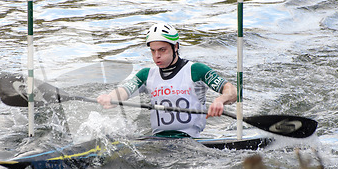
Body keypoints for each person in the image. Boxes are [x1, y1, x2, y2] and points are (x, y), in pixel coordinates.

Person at [97, 23, 237, 138]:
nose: (156, 56)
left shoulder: (195, 70)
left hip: (190, 141)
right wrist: (110, 97)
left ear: (175, 47)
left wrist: (220, 100)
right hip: (158, 141)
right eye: (153, 51)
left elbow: (232, 91)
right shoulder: (146, 74)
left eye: (162, 50)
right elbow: (123, 91)